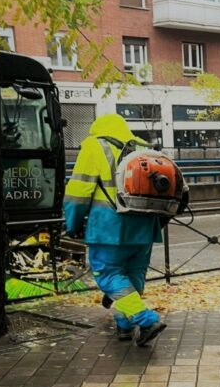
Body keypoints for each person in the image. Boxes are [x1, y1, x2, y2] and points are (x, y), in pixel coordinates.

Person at [64, 114, 167, 347]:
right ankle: (124, 325)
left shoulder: (94, 145)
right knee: (133, 275)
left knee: (107, 274)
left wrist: (72, 224)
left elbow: (78, 191)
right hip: (144, 226)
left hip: (108, 227)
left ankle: (145, 319)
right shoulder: (142, 147)